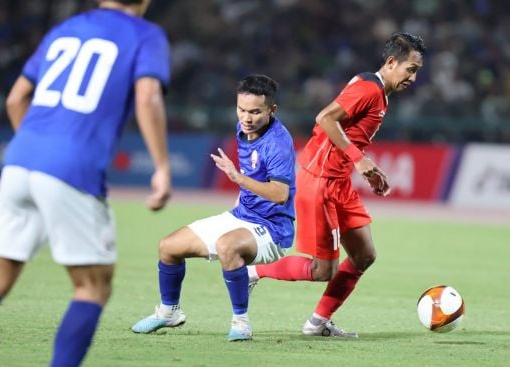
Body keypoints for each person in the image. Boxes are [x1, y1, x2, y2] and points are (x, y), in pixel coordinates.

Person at [0, 1, 171, 366]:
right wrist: (161, 166)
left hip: (19, 159)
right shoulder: (145, 34)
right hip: (71, 167)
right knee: (92, 287)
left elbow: (15, 99)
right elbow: (148, 96)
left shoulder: (66, 28)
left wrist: (38, 153)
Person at [247, 32, 426, 337]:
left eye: (417, 72)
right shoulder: (370, 90)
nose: (413, 77)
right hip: (321, 182)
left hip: (339, 182)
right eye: (411, 69)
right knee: (322, 271)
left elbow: (347, 131)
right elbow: (325, 119)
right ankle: (251, 272)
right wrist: (358, 159)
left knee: (364, 255)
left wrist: (365, 168)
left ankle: (317, 323)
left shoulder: (375, 89)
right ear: (392, 62)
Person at [132, 74, 296, 341]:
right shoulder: (242, 128)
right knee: (168, 247)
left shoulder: (277, 144)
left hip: (273, 229)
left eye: (255, 112)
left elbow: (280, 194)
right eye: (242, 110)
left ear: (272, 110)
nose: (247, 117)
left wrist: (239, 179)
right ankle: (168, 312)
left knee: (227, 245)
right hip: (241, 215)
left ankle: (241, 323)